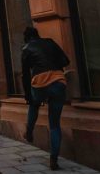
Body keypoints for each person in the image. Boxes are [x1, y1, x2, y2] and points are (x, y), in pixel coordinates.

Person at [22, 27, 69, 171]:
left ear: (26, 38)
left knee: (34, 105)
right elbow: (65, 61)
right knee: (54, 124)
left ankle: (29, 131)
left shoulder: (26, 49)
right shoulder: (49, 42)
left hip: (40, 84)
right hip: (58, 82)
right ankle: (53, 160)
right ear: (37, 34)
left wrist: (28, 97)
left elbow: (25, 75)